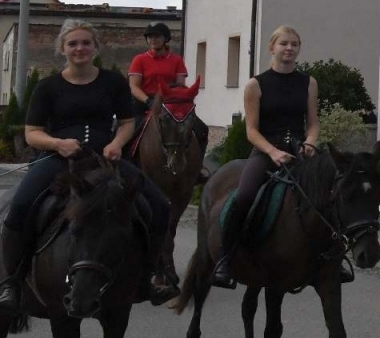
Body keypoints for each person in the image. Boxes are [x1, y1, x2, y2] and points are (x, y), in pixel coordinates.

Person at [0, 21, 178, 318]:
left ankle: (152, 275)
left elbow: (126, 123)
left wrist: (118, 144)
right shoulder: (48, 87)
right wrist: (57, 144)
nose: (79, 48)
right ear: (62, 49)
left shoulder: (113, 82)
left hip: (106, 159)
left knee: (159, 205)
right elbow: (32, 132)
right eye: (72, 44)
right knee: (19, 207)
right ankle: (12, 282)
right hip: (59, 161)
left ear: (95, 47)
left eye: (85, 42)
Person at [210, 25, 323, 289]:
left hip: (298, 150)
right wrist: (272, 152)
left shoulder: (309, 82)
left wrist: (309, 142)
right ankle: (226, 259)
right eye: (284, 43)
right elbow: (251, 130)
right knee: (245, 195)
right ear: (272, 47)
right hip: (265, 150)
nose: (289, 48)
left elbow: (313, 123)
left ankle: (330, 258)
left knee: (326, 192)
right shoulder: (256, 84)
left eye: (294, 44)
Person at [128, 20, 208, 179]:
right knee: (128, 131)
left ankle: (197, 167)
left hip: (169, 103)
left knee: (201, 129)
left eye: (157, 36)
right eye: (150, 37)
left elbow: (180, 85)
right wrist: (148, 101)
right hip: (145, 102)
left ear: (166, 39)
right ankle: (125, 167)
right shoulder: (140, 60)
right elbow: (134, 87)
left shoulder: (176, 60)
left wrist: (171, 97)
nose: (153, 40)